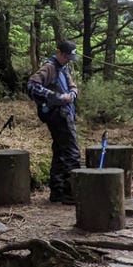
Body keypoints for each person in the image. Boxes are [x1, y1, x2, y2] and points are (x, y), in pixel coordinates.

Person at [28, 40, 80, 204]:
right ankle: (70, 193)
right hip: (58, 115)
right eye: (67, 57)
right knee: (72, 153)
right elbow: (31, 85)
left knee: (60, 152)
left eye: (70, 57)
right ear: (60, 54)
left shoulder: (64, 68)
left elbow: (73, 87)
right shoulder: (49, 67)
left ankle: (57, 192)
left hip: (66, 113)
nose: (68, 60)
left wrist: (72, 94)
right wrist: (56, 97)